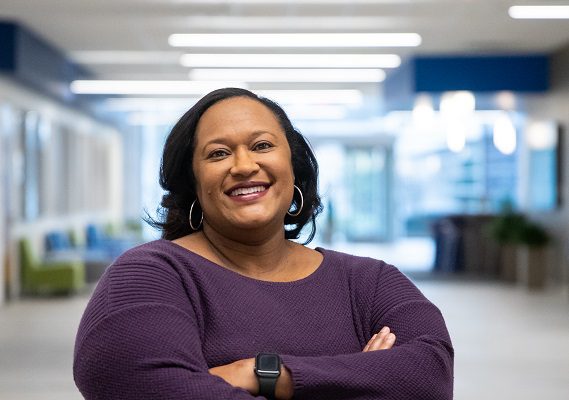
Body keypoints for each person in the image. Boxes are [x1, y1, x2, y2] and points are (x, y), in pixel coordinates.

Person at [73, 88, 454, 400]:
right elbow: (144, 388)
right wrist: (360, 377)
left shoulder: (369, 281)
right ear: (192, 182)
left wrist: (261, 373)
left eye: (261, 145)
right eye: (218, 153)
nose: (243, 165)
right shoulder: (149, 275)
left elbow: (431, 375)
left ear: (293, 166)